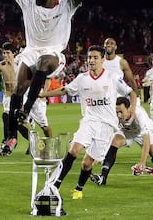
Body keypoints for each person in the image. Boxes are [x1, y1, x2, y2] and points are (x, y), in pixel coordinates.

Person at [0, 0, 115, 155]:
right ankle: (10, 139)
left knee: (43, 63)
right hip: (31, 50)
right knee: (19, 89)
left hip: (54, 54)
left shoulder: (65, 5)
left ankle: (26, 111)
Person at [39, 45, 137, 199]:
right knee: (74, 150)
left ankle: (79, 189)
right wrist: (45, 94)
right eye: (89, 57)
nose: (91, 60)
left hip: (107, 126)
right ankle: (55, 185)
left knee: (87, 163)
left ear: (102, 59)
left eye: (95, 57)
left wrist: (131, 110)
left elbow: (131, 92)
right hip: (89, 121)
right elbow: (65, 89)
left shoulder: (112, 77)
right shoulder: (82, 78)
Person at [90, 97, 153, 186]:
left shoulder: (140, 115)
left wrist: (142, 163)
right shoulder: (113, 115)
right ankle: (103, 177)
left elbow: (146, 139)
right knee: (115, 141)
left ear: (129, 109)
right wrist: (99, 153)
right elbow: (105, 134)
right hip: (127, 131)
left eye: (121, 112)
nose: (118, 115)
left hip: (144, 133)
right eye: (117, 112)